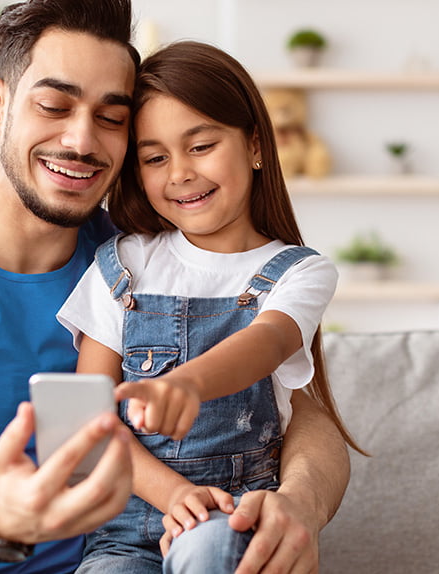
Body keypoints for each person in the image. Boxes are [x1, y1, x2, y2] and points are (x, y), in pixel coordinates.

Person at [0, 0, 350, 571]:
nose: (83, 140)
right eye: (54, 105)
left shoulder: (145, 261)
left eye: (111, 118)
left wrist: (299, 506)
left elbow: (300, 411)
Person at [57, 41, 367, 574]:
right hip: (125, 537)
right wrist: (175, 494)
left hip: (234, 521)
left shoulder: (300, 271)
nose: (178, 173)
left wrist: (187, 385)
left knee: (212, 548)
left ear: (254, 146)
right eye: (155, 158)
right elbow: (81, 421)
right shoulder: (122, 265)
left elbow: (268, 340)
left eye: (200, 146)